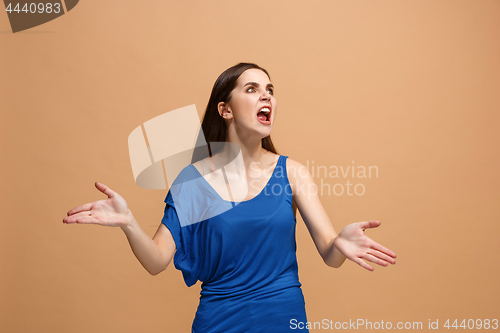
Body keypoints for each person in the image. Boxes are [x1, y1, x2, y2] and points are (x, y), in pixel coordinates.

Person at [63, 63, 397, 332]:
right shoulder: (193, 182)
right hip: (219, 322)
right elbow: (156, 261)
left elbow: (329, 253)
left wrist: (341, 242)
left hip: (283, 320)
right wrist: (128, 222)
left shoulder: (291, 173)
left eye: (270, 90)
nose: (265, 96)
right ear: (225, 109)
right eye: (252, 89)